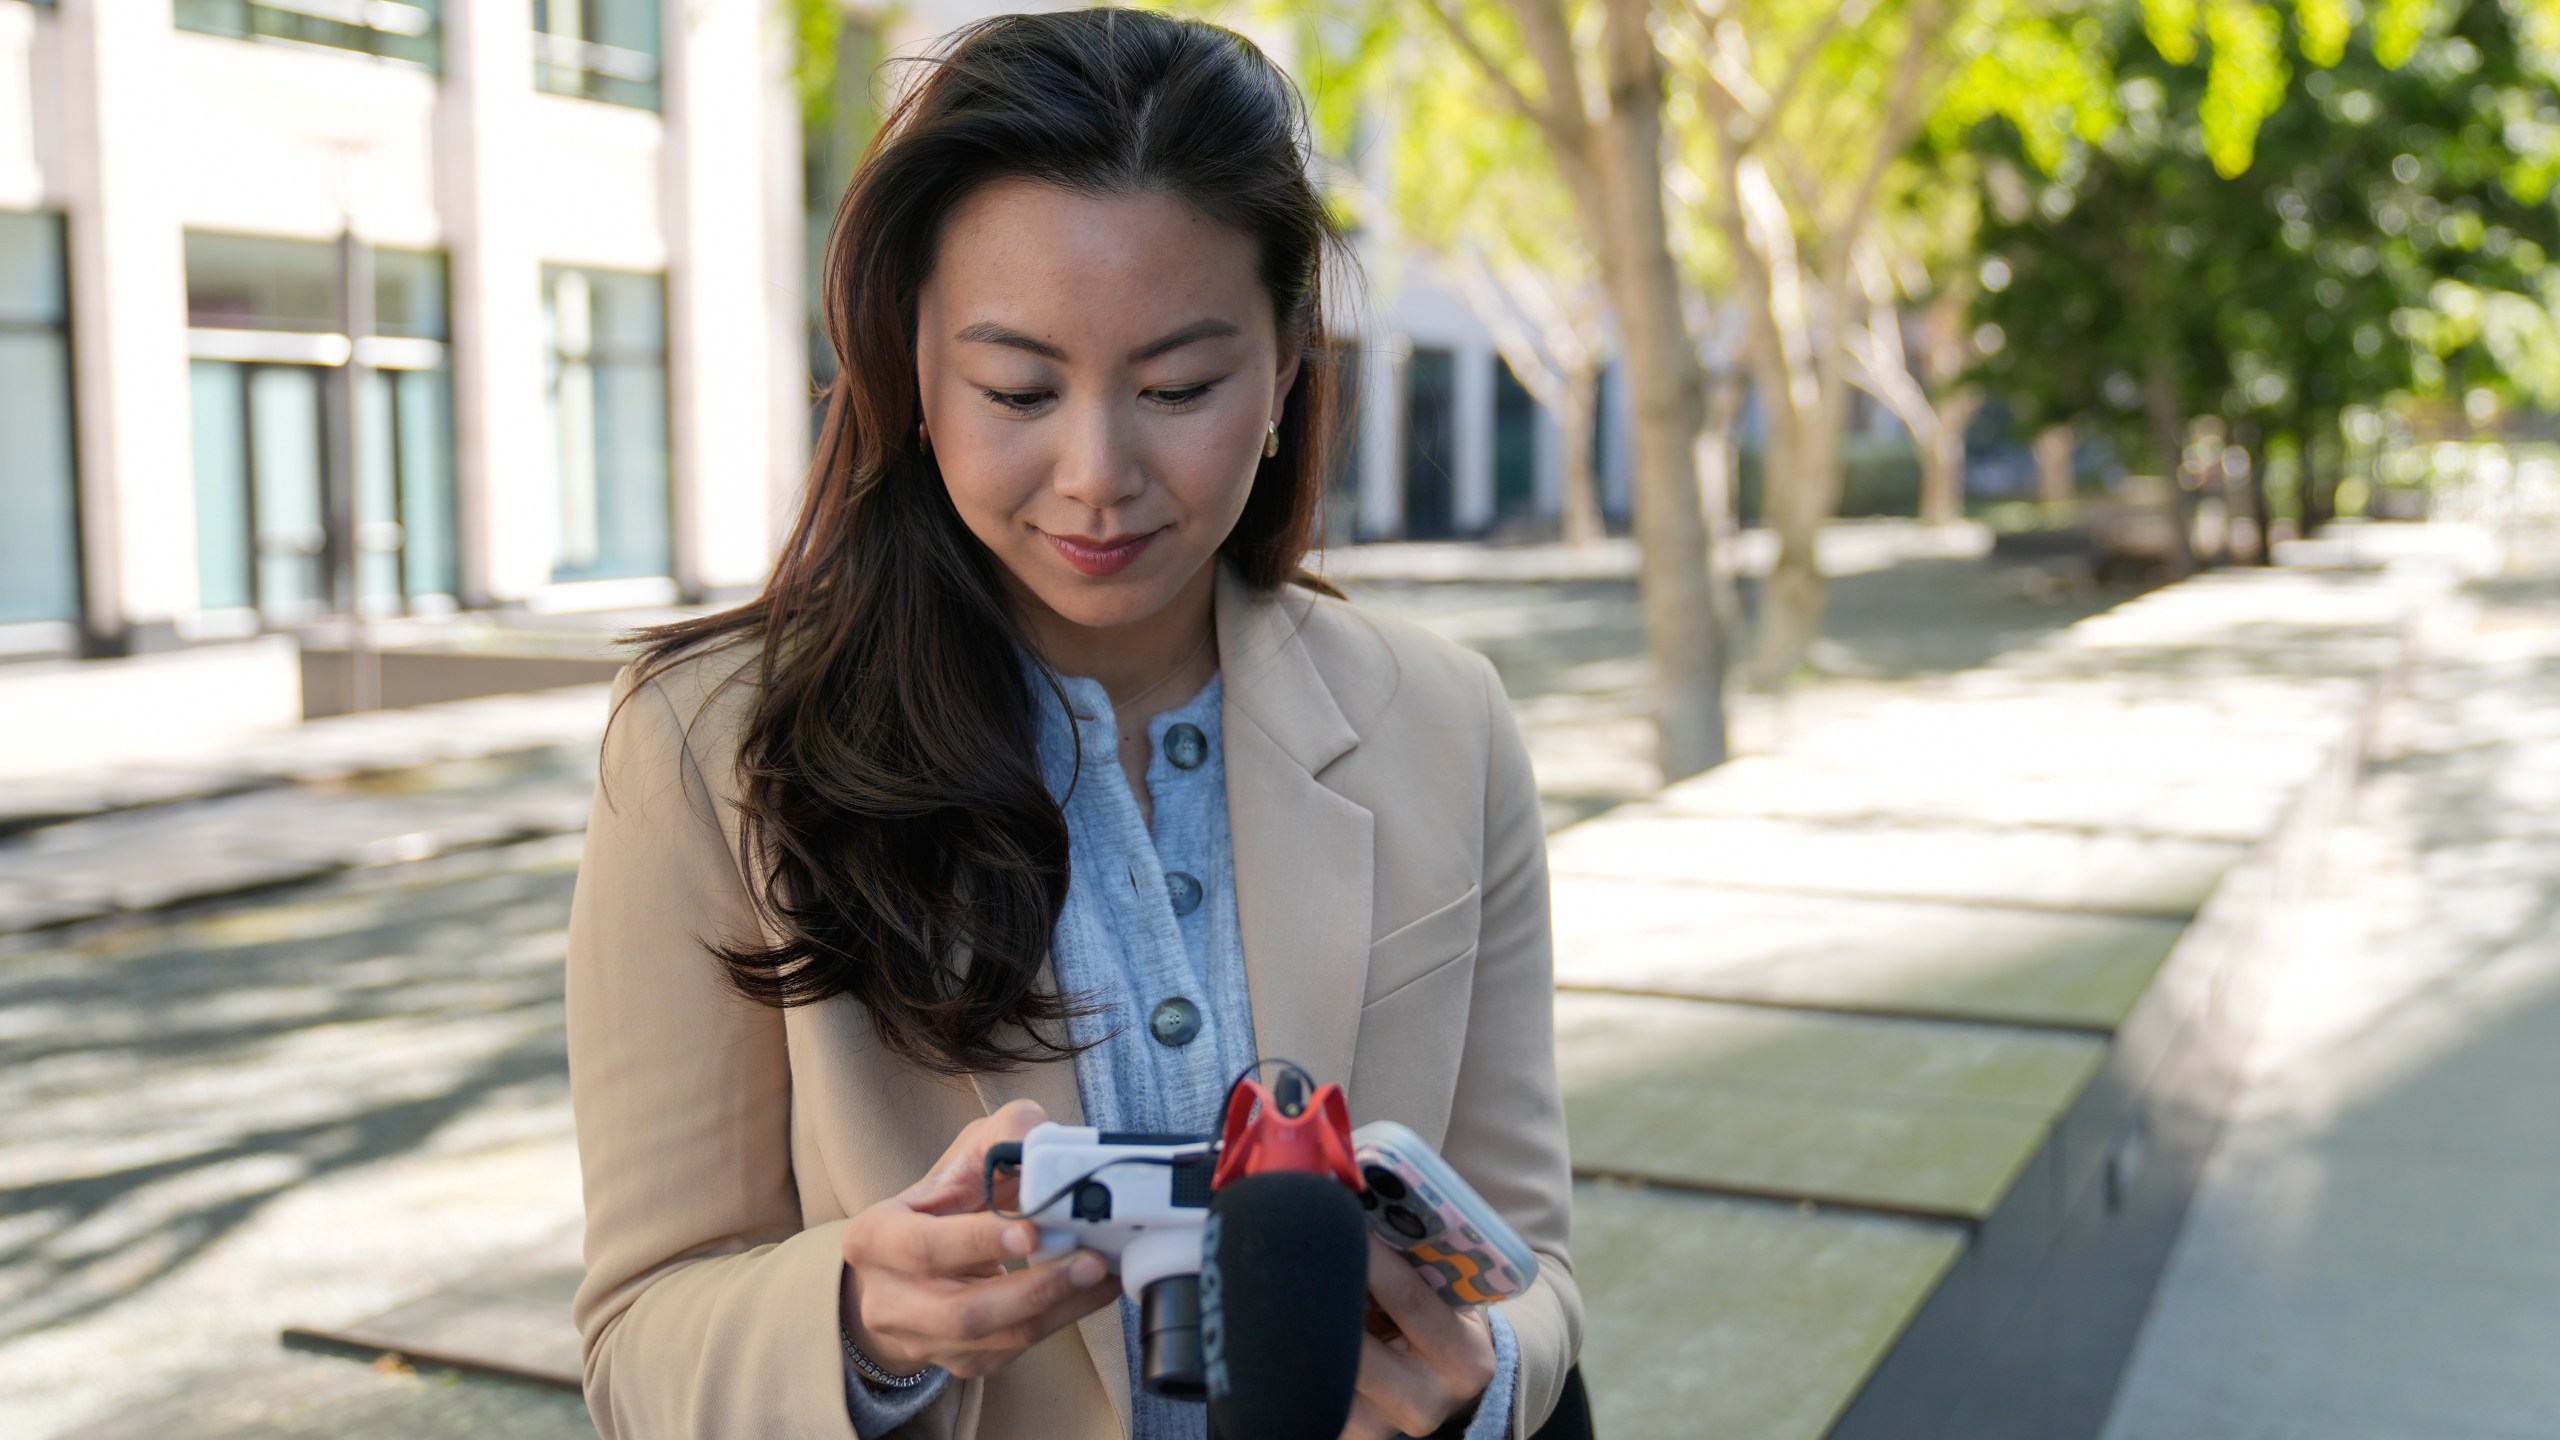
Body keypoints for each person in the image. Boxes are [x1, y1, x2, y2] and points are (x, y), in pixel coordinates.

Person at [563, 10, 1579, 1438]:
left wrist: (1482, 1381)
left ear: (1288, 370)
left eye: (1178, 388)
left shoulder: (1444, 722)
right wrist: (861, 1323)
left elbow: (1531, 1255)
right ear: (911, 365)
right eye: (1018, 389)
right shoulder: (704, 750)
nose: (1098, 475)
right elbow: (641, 1336)